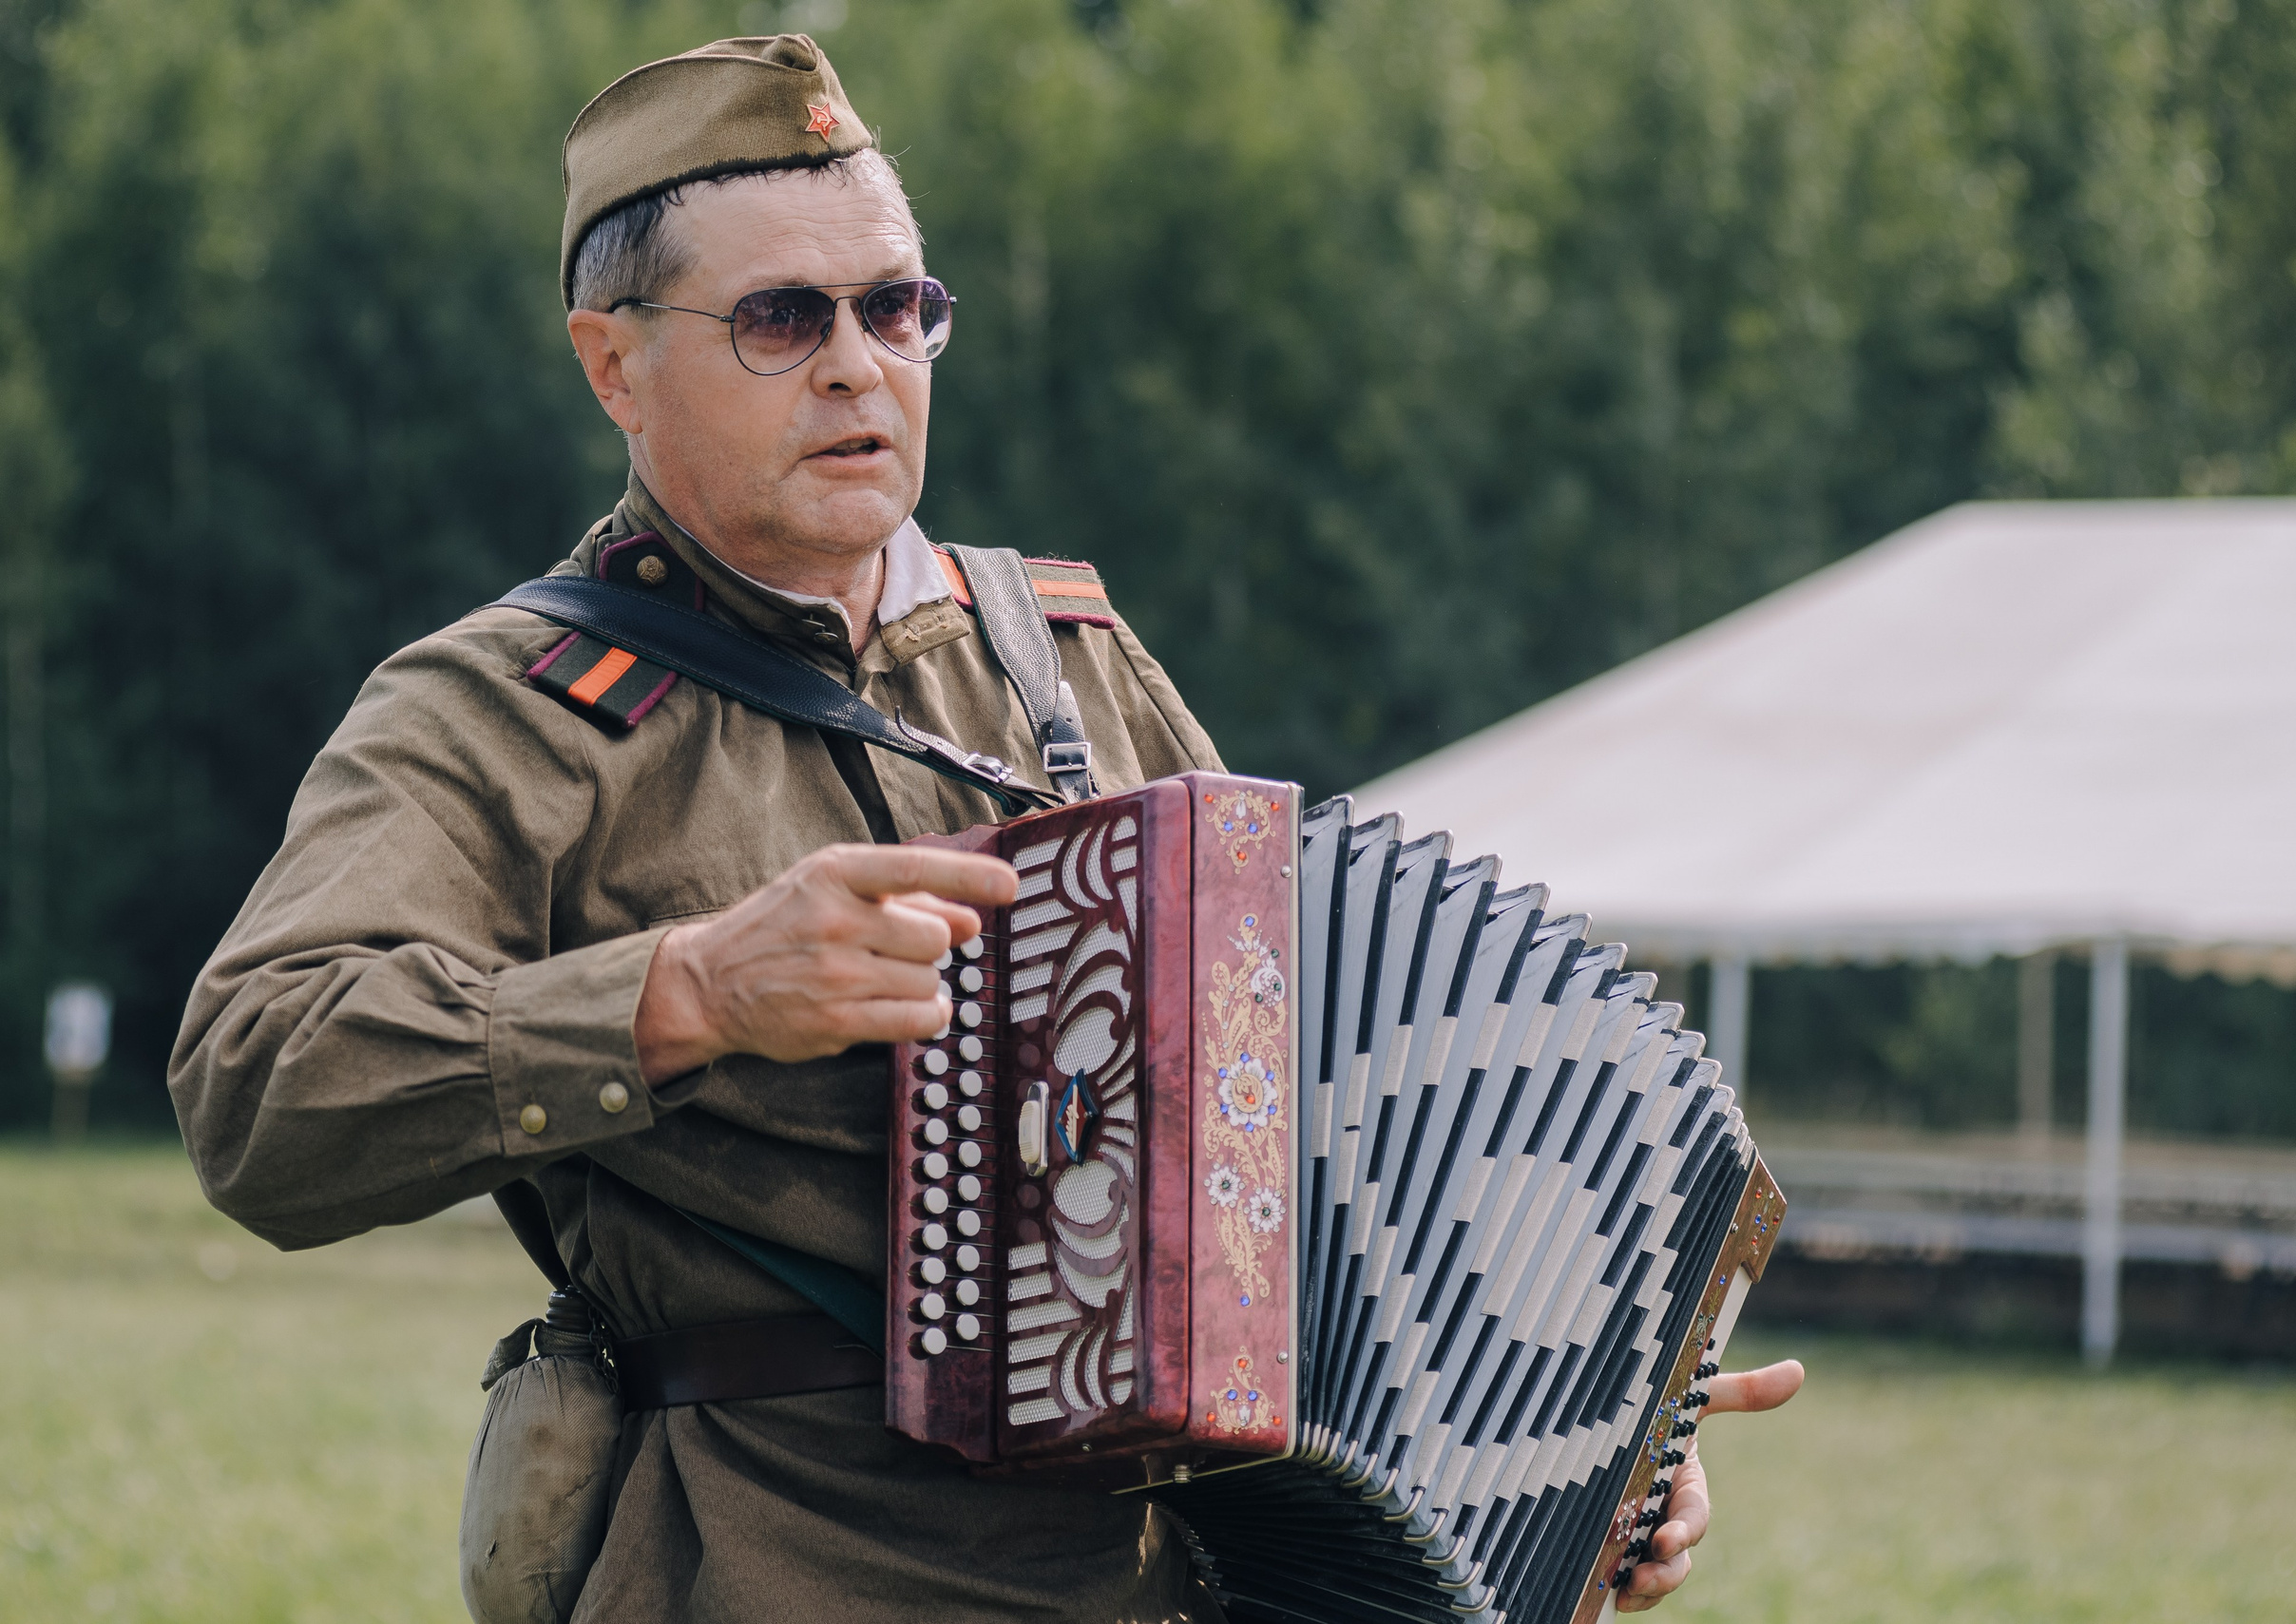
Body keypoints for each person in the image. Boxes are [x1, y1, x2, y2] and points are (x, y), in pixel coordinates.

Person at [170, 33, 1798, 1623]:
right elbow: (256, 1084)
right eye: (779, 318)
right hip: (778, 1565)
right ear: (613, 362)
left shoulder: (1065, 651)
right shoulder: (506, 708)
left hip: (1178, 1578)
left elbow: (1308, 1126)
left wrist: (1588, 1449)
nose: (855, 364)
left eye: (896, 308)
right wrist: (688, 992)